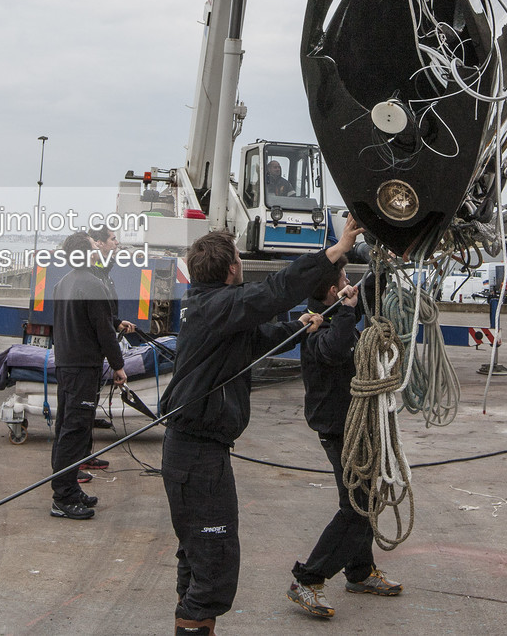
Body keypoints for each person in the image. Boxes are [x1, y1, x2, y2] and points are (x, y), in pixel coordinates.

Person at [161, 219, 363, 636]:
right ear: (232, 268)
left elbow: (256, 340)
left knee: (198, 558)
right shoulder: (219, 305)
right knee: (214, 565)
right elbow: (276, 290)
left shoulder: (212, 308)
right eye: (238, 258)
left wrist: (299, 327)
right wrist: (338, 248)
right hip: (196, 455)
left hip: (196, 452)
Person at [285, 272, 401, 619]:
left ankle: (360, 572)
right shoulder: (315, 327)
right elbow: (335, 350)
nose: (351, 283)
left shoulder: (336, 313)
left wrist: (383, 265)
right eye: (345, 279)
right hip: (338, 430)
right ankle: (308, 579)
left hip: (355, 426)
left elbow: (367, 290)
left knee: (364, 500)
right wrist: (348, 310)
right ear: (334, 290)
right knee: (357, 507)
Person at [47, 231, 133, 520]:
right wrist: (118, 366)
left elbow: (87, 320)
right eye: (94, 245)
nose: (98, 248)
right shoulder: (94, 284)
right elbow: (103, 332)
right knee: (75, 431)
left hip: (65, 364)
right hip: (83, 367)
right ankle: (63, 497)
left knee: (66, 427)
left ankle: (70, 487)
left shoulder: (62, 283)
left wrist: (113, 322)